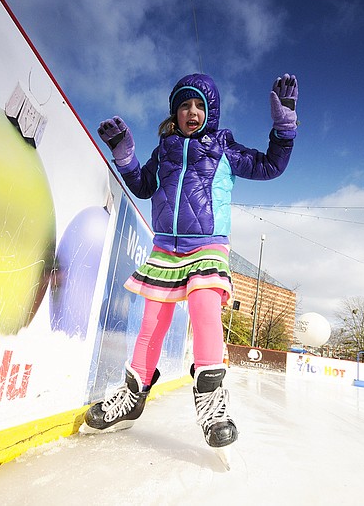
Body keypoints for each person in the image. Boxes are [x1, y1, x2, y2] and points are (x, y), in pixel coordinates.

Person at [81, 72, 298, 450]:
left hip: (208, 245)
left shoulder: (223, 146)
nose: (192, 111)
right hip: (166, 247)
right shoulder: (164, 149)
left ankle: (212, 403)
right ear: (174, 112)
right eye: (184, 104)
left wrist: (284, 126)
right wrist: (126, 156)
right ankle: (132, 396)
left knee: (204, 306)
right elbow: (144, 185)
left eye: (199, 105)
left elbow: (270, 166)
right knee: (151, 324)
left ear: (210, 112)